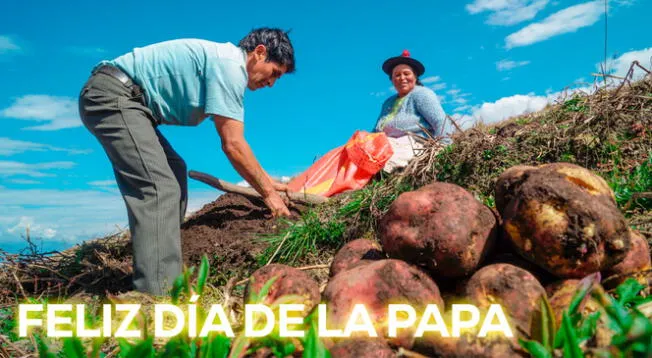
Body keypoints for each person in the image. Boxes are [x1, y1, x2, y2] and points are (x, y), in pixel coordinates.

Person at [78, 28, 294, 295]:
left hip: (129, 102)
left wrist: (265, 179)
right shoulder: (230, 67)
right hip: (113, 97)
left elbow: (236, 144)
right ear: (259, 53)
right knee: (158, 187)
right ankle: (156, 295)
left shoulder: (225, 62)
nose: (272, 83)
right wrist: (269, 193)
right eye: (274, 73)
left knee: (173, 169)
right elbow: (233, 144)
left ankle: (161, 265)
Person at [373, 50, 451, 172]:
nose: (402, 78)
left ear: (415, 76)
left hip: (413, 143)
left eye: (406, 74)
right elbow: (376, 130)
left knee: (382, 162)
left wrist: (442, 149)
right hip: (385, 144)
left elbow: (441, 121)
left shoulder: (422, 94)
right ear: (392, 79)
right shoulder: (388, 102)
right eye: (397, 75)